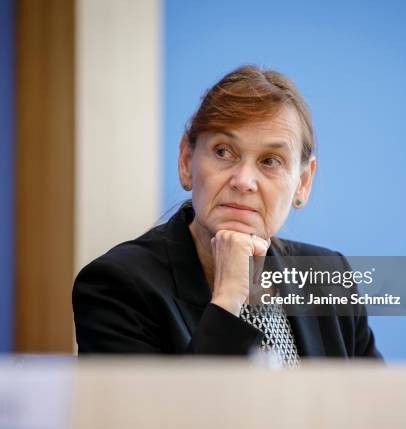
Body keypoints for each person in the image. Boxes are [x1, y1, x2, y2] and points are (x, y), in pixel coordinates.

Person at [72, 65, 382, 366]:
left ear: (303, 183)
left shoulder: (330, 279)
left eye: (270, 160)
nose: (244, 181)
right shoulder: (117, 286)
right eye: (223, 152)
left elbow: (375, 412)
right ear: (186, 160)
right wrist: (228, 298)